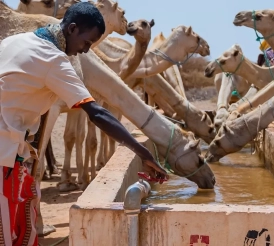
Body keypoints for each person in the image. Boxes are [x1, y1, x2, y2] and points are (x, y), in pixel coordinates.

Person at [0, 2, 168, 245]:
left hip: (14, 153)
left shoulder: (16, 41)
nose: (85, 51)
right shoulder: (54, 60)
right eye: (86, 43)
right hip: (4, 156)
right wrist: (142, 152)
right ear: (72, 29)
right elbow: (97, 113)